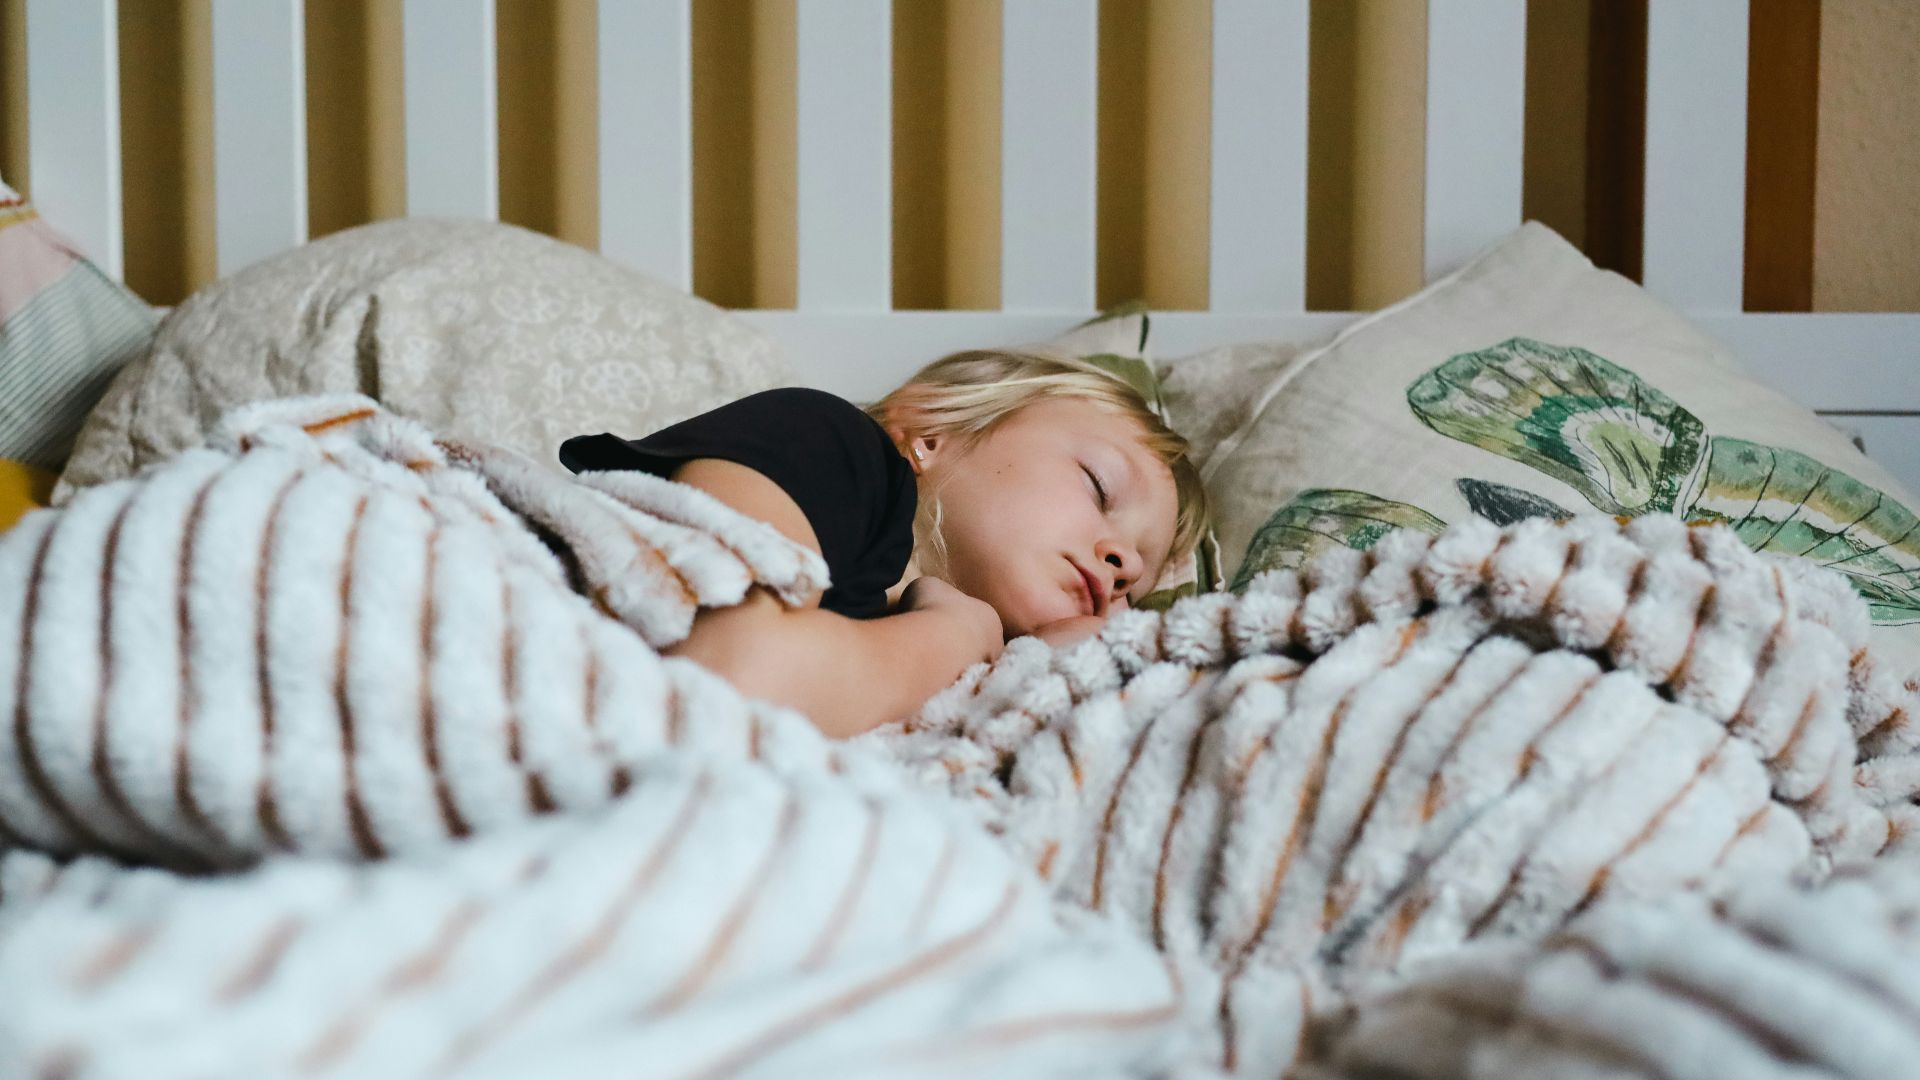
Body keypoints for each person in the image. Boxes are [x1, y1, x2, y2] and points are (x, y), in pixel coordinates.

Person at [558, 349, 1208, 737]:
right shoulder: (828, 442)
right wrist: (961, 630)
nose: (1122, 563)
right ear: (931, 431)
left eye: (1138, 585)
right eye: (1098, 487)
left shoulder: (978, 691)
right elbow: (726, 685)